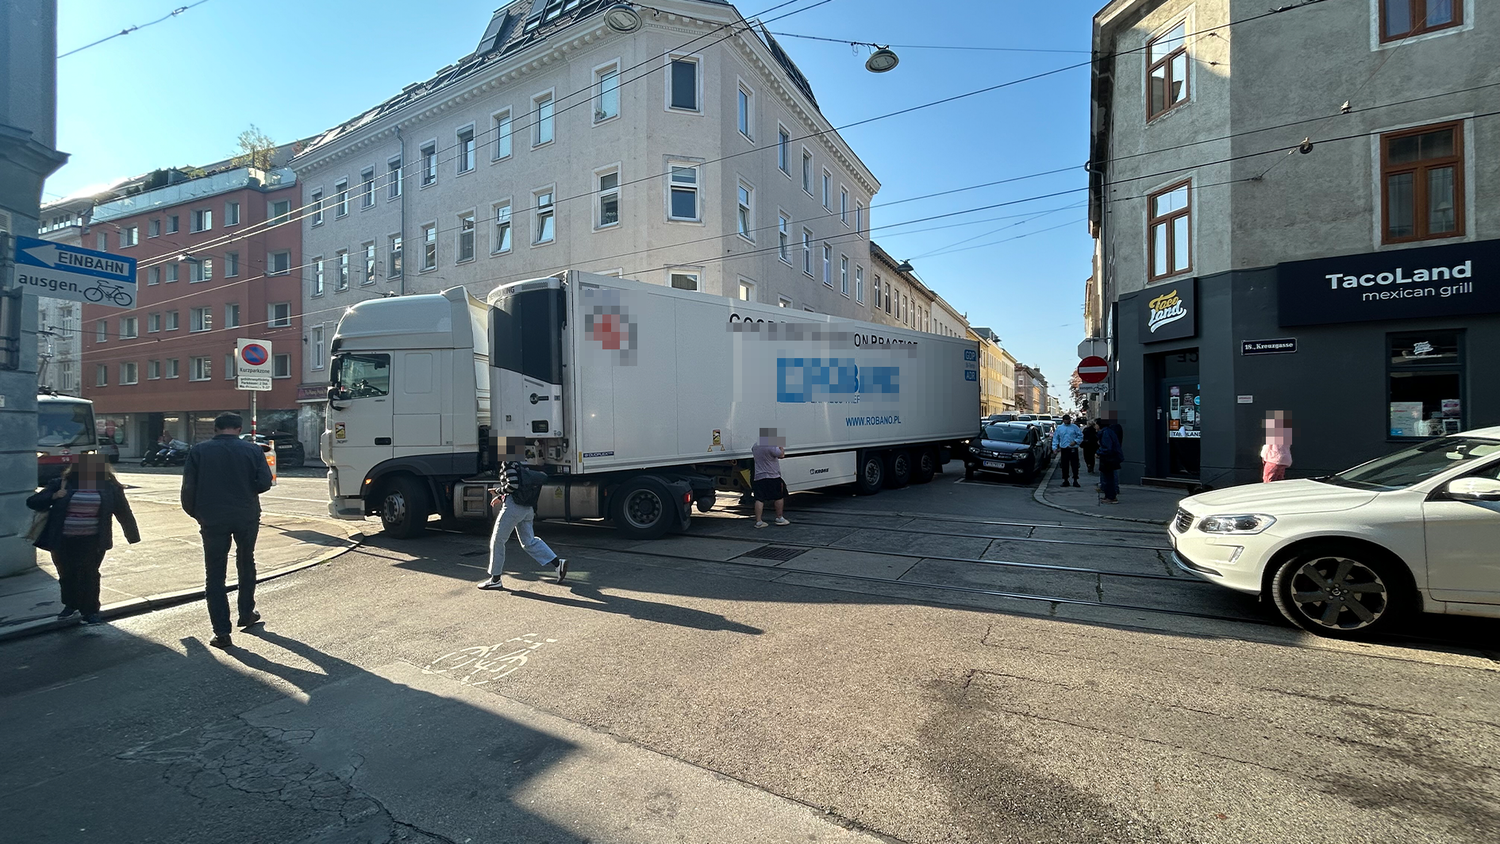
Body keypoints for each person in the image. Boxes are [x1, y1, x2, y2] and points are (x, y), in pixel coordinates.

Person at [181, 412, 273, 649]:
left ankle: (222, 632)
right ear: (239, 428)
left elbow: (188, 488)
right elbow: (264, 483)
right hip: (246, 515)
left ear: (216, 428)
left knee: (214, 573)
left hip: (212, 518)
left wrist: (197, 513)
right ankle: (246, 613)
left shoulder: (199, 451)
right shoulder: (252, 450)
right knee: (246, 562)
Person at [27, 452, 140, 624]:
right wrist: (53, 496)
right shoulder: (62, 484)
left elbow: (124, 512)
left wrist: (132, 535)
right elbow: (32, 502)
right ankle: (70, 605)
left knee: (90, 574)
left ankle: (91, 611)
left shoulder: (110, 487)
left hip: (93, 540)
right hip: (62, 539)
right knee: (67, 574)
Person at [477, 458, 567, 591]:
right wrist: (501, 497)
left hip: (514, 508)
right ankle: (558, 563)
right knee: (528, 541)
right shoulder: (518, 464)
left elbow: (513, 485)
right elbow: (518, 485)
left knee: (498, 540)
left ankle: (495, 579)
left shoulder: (507, 463)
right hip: (526, 508)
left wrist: (497, 491)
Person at [751, 428, 790, 528]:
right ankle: (779, 518)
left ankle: (759, 521)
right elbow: (781, 455)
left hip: (759, 476)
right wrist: (781, 445)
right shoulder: (771, 446)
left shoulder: (755, 446)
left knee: (759, 499)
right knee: (778, 497)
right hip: (773, 476)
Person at [1096, 417, 1124, 504]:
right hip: (1110, 458)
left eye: (1096, 424)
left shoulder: (1105, 433)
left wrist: (1098, 452)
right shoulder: (1108, 431)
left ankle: (1111, 497)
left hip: (1109, 459)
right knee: (1108, 478)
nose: (1095, 426)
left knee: (1109, 478)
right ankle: (1109, 496)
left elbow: (1107, 448)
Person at [1052, 415, 1084, 487]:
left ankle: (1075, 480)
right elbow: (1056, 438)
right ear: (1063, 420)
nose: (1067, 421)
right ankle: (1065, 480)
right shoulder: (1060, 428)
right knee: (1064, 465)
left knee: (1075, 465)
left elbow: (1080, 436)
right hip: (1064, 448)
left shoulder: (1074, 427)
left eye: (1068, 419)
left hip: (1073, 448)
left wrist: (1075, 442)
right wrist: (1054, 447)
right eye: (1066, 420)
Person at [1261, 413, 1293, 483]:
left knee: (1268, 479)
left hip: (1273, 460)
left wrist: (1263, 456)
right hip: (1284, 460)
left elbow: (1268, 447)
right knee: (1279, 479)